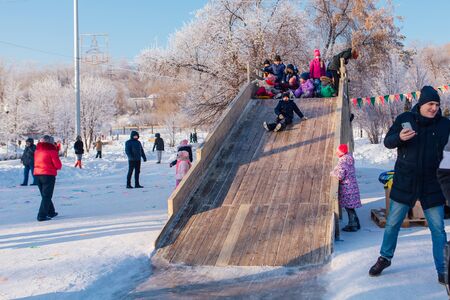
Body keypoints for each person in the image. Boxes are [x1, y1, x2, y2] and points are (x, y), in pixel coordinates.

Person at [368, 86, 450, 286]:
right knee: (393, 223)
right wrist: (399, 138)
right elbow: (388, 141)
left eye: (437, 105)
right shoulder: (406, 119)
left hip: (433, 183)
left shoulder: (445, 125)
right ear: (421, 104)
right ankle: (385, 258)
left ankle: (443, 269)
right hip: (406, 181)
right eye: (430, 104)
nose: (434, 108)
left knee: (438, 229)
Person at [330, 144, 361, 232]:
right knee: (350, 207)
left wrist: (332, 173)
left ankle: (353, 225)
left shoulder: (343, 161)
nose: (336, 152)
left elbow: (340, 175)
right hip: (352, 186)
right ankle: (356, 223)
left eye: (337, 151)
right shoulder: (349, 159)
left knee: (349, 207)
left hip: (347, 188)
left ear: (341, 152)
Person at [34, 135, 62, 221]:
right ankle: (41, 215)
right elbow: (58, 165)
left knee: (44, 195)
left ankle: (51, 212)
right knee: (47, 196)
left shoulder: (37, 151)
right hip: (48, 175)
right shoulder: (52, 151)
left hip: (37, 174)